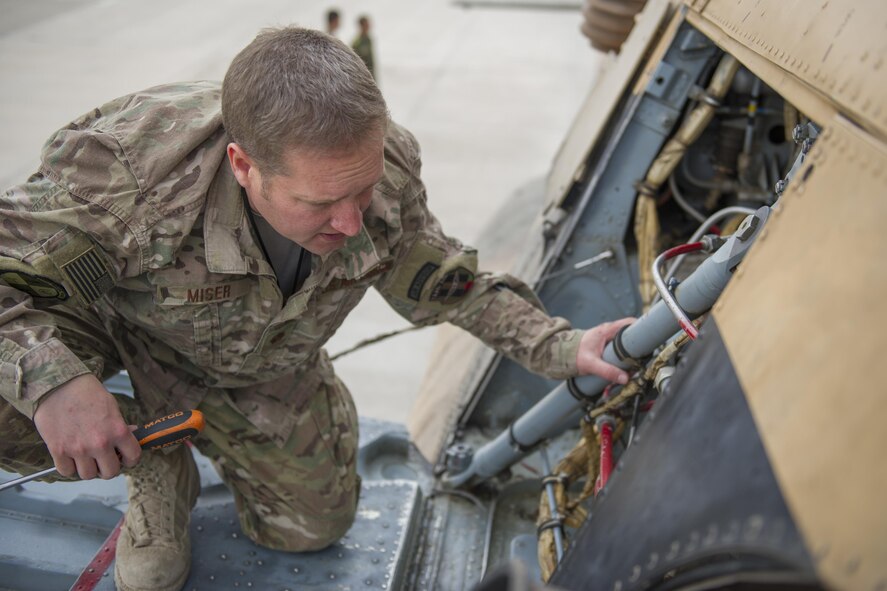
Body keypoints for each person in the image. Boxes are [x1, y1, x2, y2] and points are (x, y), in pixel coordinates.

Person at [0, 27, 632, 591]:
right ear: (244, 166)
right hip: (114, 328)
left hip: (259, 364)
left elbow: (440, 279)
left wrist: (560, 346)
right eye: (322, 201)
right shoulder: (128, 172)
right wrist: (55, 384)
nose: (353, 222)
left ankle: (166, 434)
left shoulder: (383, 168)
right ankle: (153, 451)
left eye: (363, 189)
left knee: (310, 529)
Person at [351, 15, 375, 79]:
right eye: (366, 25)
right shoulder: (357, 42)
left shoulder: (368, 40)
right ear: (361, 26)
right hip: (362, 76)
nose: (368, 27)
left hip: (371, 74)